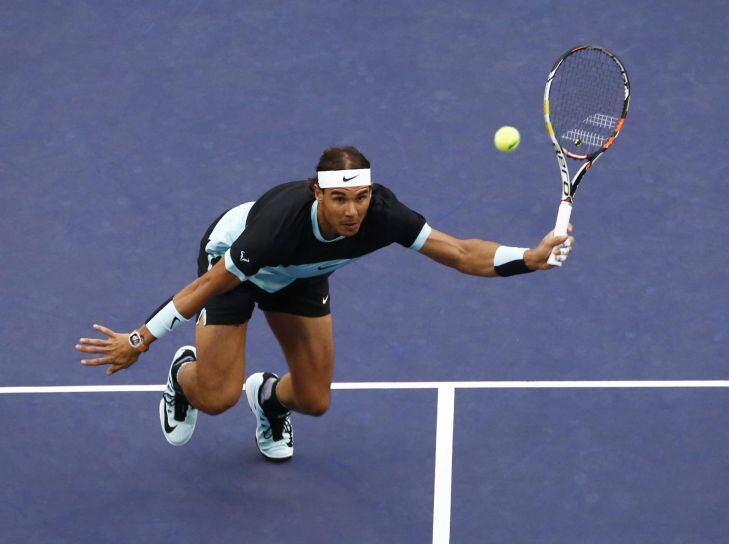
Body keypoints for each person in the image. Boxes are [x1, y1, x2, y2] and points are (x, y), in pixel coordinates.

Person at [75, 146, 574, 462]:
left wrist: (529, 258)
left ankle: (268, 399)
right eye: (339, 200)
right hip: (236, 269)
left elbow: (461, 253)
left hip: (300, 277)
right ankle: (184, 375)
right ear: (318, 193)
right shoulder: (276, 229)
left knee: (314, 400)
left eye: (361, 197)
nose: (352, 211)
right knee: (216, 397)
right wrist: (139, 339)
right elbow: (205, 286)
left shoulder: (384, 216)